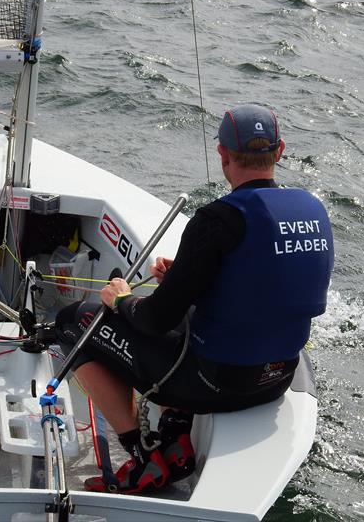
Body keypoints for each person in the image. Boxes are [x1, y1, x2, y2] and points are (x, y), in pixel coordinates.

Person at [55, 104, 334, 494]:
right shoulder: (313, 210)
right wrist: (185, 280)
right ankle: (175, 435)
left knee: (75, 321)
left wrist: (120, 300)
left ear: (222, 153)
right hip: (276, 379)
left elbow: (155, 320)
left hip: (212, 383)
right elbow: (267, 285)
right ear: (281, 150)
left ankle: (144, 457)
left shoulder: (217, 220)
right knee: (191, 315)